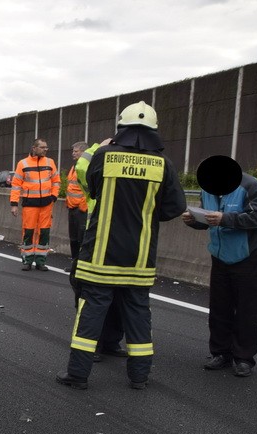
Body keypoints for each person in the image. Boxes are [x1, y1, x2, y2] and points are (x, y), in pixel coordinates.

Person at [56, 101, 187, 390]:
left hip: (101, 254)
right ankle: (139, 376)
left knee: (91, 312)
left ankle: (78, 374)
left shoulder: (105, 155)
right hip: (139, 258)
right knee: (139, 313)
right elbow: (175, 207)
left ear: (121, 128)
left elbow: (90, 185)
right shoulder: (163, 163)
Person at [182, 154, 257, 378]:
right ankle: (220, 353)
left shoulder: (251, 186)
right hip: (219, 256)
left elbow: (256, 218)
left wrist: (226, 218)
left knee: (247, 310)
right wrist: (194, 221)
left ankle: (244, 358)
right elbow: (209, 221)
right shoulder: (207, 190)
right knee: (219, 308)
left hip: (248, 256)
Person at [72, 138, 128, 361]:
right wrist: (101, 147)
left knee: (119, 293)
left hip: (122, 237)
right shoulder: (98, 160)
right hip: (95, 235)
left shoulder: (130, 162)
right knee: (89, 292)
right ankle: (92, 343)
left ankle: (111, 341)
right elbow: (83, 166)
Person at [10, 139, 60, 270]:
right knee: (29, 231)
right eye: (42, 147)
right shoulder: (23, 163)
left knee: (44, 232)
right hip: (30, 204)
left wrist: (53, 197)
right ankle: (27, 261)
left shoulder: (50, 162)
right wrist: (14, 204)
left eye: (46, 147)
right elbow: (16, 185)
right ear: (34, 148)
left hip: (46, 204)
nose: (45, 149)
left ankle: (40, 261)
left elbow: (56, 181)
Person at [65, 142, 89, 273]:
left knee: (81, 238)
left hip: (81, 210)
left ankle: (81, 266)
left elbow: (88, 189)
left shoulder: (86, 167)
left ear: (84, 153)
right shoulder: (74, 167)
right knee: (73, 238)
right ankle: (75, 264)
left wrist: (82, 206)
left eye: (76, 151)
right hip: (72, 207)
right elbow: (71, 187)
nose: (73, 153)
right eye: (73, 151)